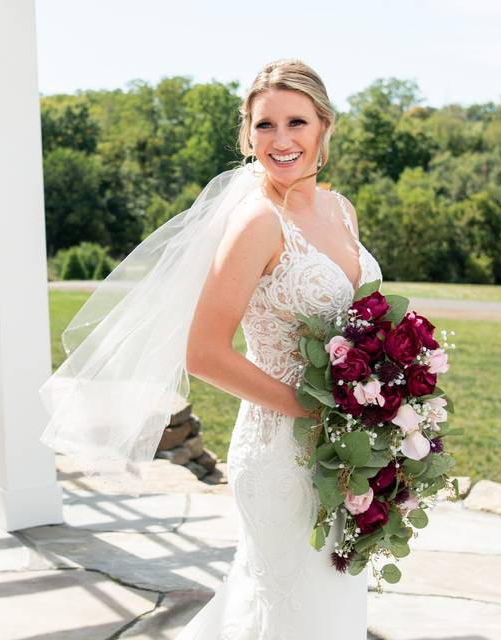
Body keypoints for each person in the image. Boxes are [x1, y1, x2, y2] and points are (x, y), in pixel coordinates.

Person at [176, 59, 382, 639]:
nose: (282, 140)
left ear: (323, 127)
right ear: (247, 135)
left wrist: (384, 403)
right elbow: (204, 353)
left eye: (297, 121)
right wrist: (312, 408)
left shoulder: (340, 209)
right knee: (291, 608)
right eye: (265, 125)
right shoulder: (257, 224)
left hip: (346, 447)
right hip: (280, 454)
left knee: (333, 600)